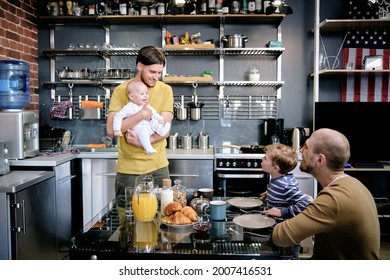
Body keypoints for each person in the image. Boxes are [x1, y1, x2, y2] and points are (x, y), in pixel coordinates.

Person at [272, 128, 381, 260]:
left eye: (306, 147)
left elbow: (281, 236)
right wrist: (313, 206)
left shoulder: (333, 199)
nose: (300, 151)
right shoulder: (355, 184)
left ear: (320, 160)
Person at [106, 46, 173, 196]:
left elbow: (165, 130)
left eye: (159, 73)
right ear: (140, 66)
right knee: (126, 215)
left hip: (159, 167)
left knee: (163, 214)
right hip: (129, 170)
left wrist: (142, 142)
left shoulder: (165, 90)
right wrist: (142, 115)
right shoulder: (121, 91)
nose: (156, 77)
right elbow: (111, 130)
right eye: (152, 72)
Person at [259, 143, 312, 258]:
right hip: (278, 230)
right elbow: (284, 194)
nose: (262, 158)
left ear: (275, 168)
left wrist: (282, 212)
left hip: (287, 234)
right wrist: (270, 193)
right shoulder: (279, 179)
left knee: (286, 259)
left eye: (265, 158)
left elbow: (306, 202)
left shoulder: (285, 186)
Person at [112, 80, 171, 156]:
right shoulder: (129, 107)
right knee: (143, 133)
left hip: (148, 126)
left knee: (154, 122)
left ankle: (161, 130)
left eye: (146, 93)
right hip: (138, 129)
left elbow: (154, 113)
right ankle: (149, 149)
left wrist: (160, 119)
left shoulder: (146, 105)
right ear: (132, 97)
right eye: (142, 94)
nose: (146, 96)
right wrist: (116, 129)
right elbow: (118, 116)